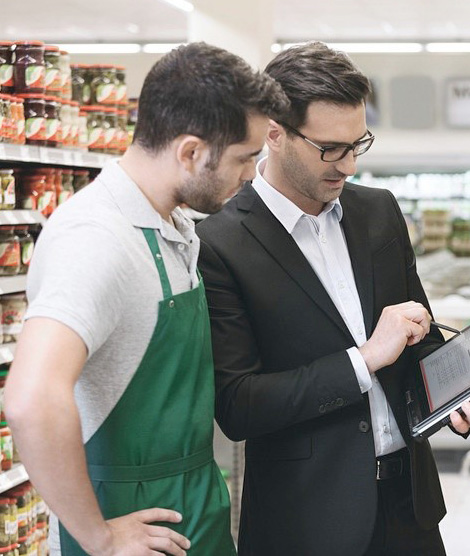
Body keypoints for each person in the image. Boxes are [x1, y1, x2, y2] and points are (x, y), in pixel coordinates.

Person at [197, 41, 470, 556]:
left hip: (410, 509)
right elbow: (239, 405)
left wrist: (459, 393)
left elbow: (419, 334)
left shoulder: (378, 211)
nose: (350, 166)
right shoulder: (221, 243)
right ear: (274, 133)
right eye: (330, 149)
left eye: (358, 144)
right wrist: (362, 360)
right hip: (305, 524)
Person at [5, 42, 288, 556]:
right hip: (126, 518)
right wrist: (99, 537)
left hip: (189, 503)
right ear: (190, 152)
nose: (251, 175)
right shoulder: (95, 239)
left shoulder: (174, 224)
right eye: (245, 158)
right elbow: (30, 398)